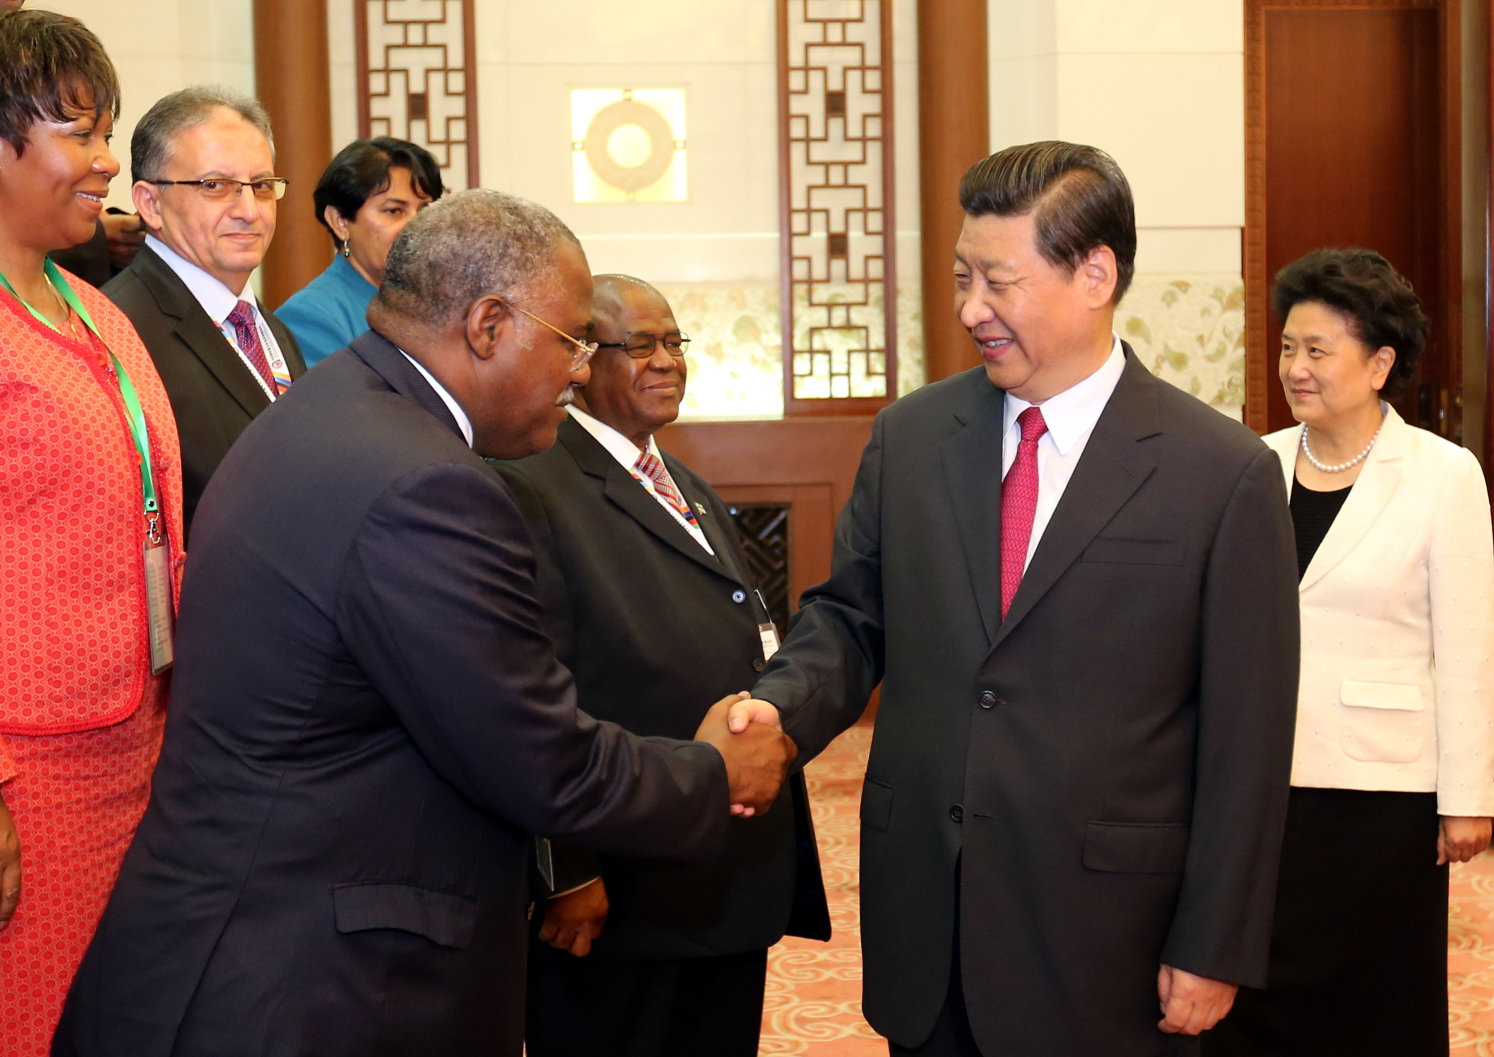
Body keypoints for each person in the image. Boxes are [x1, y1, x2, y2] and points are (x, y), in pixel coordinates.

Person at [52, 189, 797, 1057]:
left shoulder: (340, 402)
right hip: (303, 985)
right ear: (488, 325)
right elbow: (541, 759)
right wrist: (714, 771)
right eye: (571, 342)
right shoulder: (425, 483)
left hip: (253, 944)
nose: (580, 372)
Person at [729, 141, 1302, 1056]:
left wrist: (1215, 940)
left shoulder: (1220, 472)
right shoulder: (912, 438)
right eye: (963, 278)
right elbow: (850, 618)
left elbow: (1250, 733)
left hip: (1109, 936)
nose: (970, 309)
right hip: (931, 920)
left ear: (1095, 274)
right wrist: (779, 709)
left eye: (998, 281)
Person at [496, 274, 831, 1057]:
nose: (666, 360)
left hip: (718, 872)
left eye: (674, 341)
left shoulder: (683, 480)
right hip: (623, 889)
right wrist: (565, 871)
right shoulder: (530, 482)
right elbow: (530, 689)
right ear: (580, 359)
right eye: (638, 344)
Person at [1202, 249, 1494, 1057]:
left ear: (1379, 362)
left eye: (1317, 350)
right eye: (1288, 347)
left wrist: (1468, 794)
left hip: (1381, 790)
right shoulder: (1251, 463)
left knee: (1374, 1002)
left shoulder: (1442, 475)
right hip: (1260, 778)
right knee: (1251, 987)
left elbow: (1469, 646)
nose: (1295, 367)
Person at [0, 10, 185, 1056]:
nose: (106, 162)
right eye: (78, 132)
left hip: (137, 747)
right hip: (26, 775)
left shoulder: (97, 311)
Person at [103, 85, 306, 539]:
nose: (249, 211)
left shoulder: (271, 329)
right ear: (150, 203)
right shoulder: (115, 331)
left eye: (262, 186)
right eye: (215, 186)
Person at [277, 137, 443, 367]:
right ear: (341, 222)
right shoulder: (312, 316)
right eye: (394, 210)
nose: (416, 225)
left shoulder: (439, 302)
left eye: (424, 209)